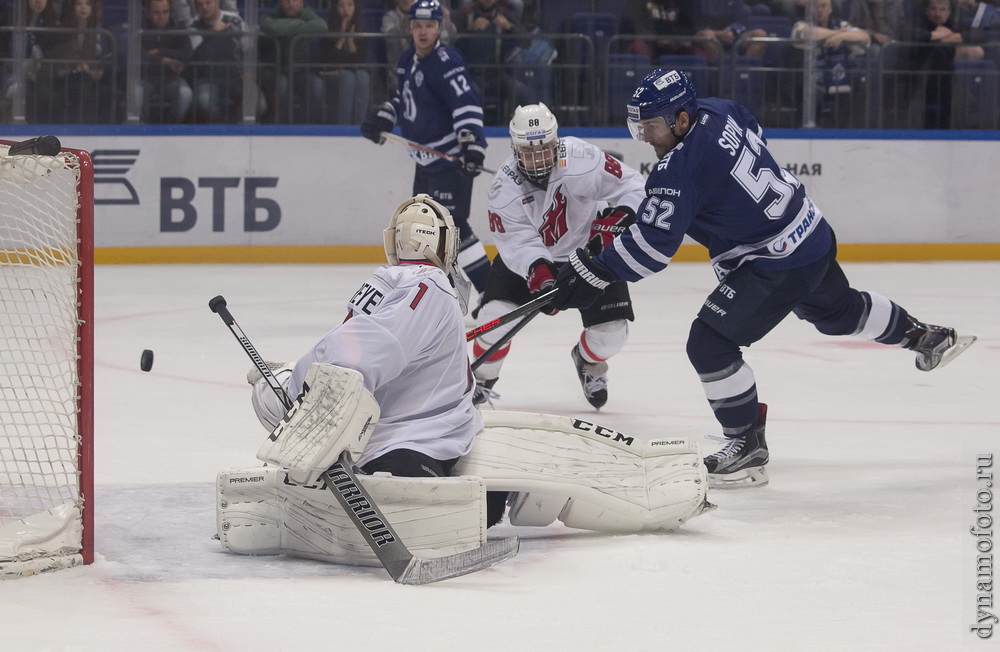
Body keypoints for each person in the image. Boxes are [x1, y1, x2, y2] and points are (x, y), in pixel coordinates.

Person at [547, 69, 976, 489]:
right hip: (810, 230)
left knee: (709, 342)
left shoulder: (677, 170)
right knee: (838, 312)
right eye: (639, 127)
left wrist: (592, 271)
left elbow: (653, 251)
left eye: (653, 127)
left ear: (681, 119)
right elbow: (749, 142)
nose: (646, 138)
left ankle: (745, 444)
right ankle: (923, 335)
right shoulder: (720, 110)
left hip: (776, 260)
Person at [250, 193, 480, 480]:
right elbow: (363, 354)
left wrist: (298, 383)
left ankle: (293, 379)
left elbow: (360, 346)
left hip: (401, 435)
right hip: (415, 439)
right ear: (444, 243)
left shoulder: (391, 280)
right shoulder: (430, 285)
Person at [471, 103, 646, 409]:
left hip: (588, 254)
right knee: (493, 321)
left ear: (556, 142)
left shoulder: (582, 157)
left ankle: (587, 361)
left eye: (544, 148)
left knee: (613, 334)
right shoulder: (503, 188)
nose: (538, 158)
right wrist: (540, 274)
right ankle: (482, 379)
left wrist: (616, 219)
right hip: (527, 265)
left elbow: (633, 186)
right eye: (528, 151)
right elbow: (517, 243)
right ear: (514, 148)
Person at [361, 0, 492, 299]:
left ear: (439, 27)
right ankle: (443, 293)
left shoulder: (447, 62)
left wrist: (472, 146)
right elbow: (405, 102)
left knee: (454, 226)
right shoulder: (408, 60)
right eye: (418, 26)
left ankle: (490, 290)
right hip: (425, 162)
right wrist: (385, 115)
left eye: (429, 25)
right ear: (410, 27)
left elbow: (466, 104)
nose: (423, 31)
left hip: (449, 161)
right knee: (426, 229)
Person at [910, 0, 984, 129]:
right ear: (926, 11)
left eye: (942, 9)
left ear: (949, 13)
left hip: (953, 85)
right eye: (933, 9)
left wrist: (947, 38)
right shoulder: (917, 26)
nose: (937, 13)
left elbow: (979, 39)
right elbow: (912, 38)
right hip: (920, 86)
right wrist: (936, 37)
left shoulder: (956, 26)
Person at [45, 0, 113, 123]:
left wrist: (94, 69)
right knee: (78, 86)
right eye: (79, 4)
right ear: (72, 7)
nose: (83, 8)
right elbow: (56, 56)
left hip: (91, 81)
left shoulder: (101, 32)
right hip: (64, 79)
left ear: (92, 8)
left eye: (87, 4)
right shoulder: (62, 31)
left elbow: (104, 58)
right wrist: (75, 66)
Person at [259, 0, 327, 123]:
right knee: (282, 86)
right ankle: (279, 126)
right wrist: (300, 24)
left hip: (301, 70)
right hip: (275, 69)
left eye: (295, 0)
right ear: (279, 2)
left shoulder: (306, 14)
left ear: (301, 2)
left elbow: (322, 26)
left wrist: (284, 28)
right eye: (286, 0)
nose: (290, 4)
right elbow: (271, 27)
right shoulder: (270, 15)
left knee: (317, 86)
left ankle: (306, 127)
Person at [791, 0, 870, 96]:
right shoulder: (801, 24)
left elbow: (864, 37)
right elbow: (806, 33)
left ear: (830, 9)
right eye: (815, 7)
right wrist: (837, 33)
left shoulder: (841, 25)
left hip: (839, 81)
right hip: (812, 84)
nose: (819, 10)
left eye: (823, 6)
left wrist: (842, 37)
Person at [188, 0, 246, 123]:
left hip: (235, 78)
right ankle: (220, 131)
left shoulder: (235, 21)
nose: (204, 7)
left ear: (217, 2)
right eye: (199, 4)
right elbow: (196, 55)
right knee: (204, 99)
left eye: (208, 3)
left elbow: (249, 49)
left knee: (258, 103)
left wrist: (250, 72)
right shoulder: (194, 25)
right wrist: (214, 33)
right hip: (206, 80)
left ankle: (235, 128)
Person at [141, 0, 194, 124]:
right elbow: (138, 55)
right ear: (148, 13)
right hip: (145, 78)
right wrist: (163, 60)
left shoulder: (178, 27)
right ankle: (145, 129)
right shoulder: (141, 29)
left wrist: (160, 51)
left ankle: (170, 129)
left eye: (165, 12)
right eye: (156, 13)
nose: (161, 17)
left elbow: (186, 54)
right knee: (136, 93)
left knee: (185, 94)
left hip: (171, 78)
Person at [320, 0, 372, 124]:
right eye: (341, 5)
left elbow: (361, 62)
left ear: (355, 8)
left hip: (354, 73)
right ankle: (344, 127)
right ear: (335, 9)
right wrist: (341, 38)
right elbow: (329, 60)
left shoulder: (362, 30)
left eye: (349, 5)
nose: (345, 9)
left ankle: (360, 125)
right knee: (348, 77)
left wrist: (351, 42)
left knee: (363, 76)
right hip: (332, 75)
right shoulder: (327, 29)